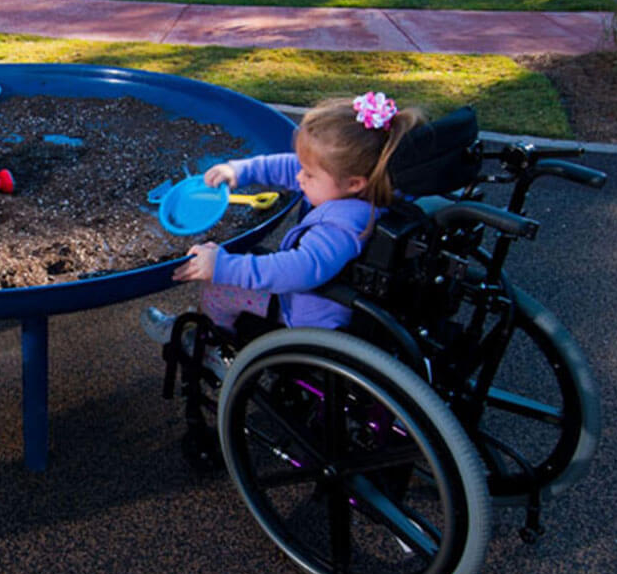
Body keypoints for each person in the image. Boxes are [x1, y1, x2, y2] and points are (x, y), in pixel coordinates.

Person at [142, 92, 425, 372]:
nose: (299, 177)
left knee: (218, 286)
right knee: (243, 260)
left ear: (354, 183)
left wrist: (221, 267)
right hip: (323, 300)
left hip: (310, 317)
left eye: (309, 175)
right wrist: (240, 171)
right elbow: (292, 167)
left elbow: (299, 270)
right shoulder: (364, 188)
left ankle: (214, 348)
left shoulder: (342, 226)